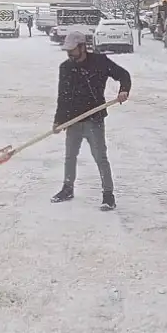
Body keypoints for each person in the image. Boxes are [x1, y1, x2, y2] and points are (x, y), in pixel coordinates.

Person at [52, 30, 131, 211]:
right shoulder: (66, 68)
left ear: (82, 47)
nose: (69, 54)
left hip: (94, 120)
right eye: (67, 51)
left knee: (100, 157)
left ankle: (108, 195)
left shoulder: (100, 62)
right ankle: (67, 188)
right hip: (73, 120)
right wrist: (59, 120)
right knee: (70, 156)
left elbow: (123, 75)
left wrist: (124, 90)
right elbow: (62, 97)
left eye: (72, 50)